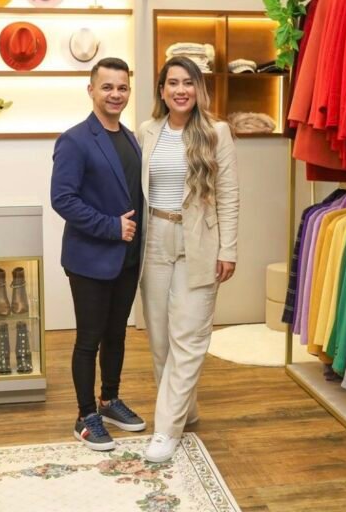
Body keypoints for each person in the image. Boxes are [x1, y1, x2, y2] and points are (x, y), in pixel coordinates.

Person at [137, 56, 240, 462]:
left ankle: (166, 429)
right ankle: (184, 410)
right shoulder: (147, 131)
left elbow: (229, 195)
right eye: (173, 83)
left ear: (199, 89)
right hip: (154, 239)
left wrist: (228, 249)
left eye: (189, 82)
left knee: (190, 336)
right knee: (160, 340)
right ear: (162, 90)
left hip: (199, 241)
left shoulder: (217, 132)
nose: (181, 90)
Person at [50, 57, 146, 451]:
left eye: (122, 87)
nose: (115, 94)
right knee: (89, 339)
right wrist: (110, 226)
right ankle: (85, 416)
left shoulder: (131, 138)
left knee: (116, 335)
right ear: (91, 90)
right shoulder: (74, 140)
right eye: (107, 87)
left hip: (127, 258)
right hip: (90, 259)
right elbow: (62, 199)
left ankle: (109, 400)